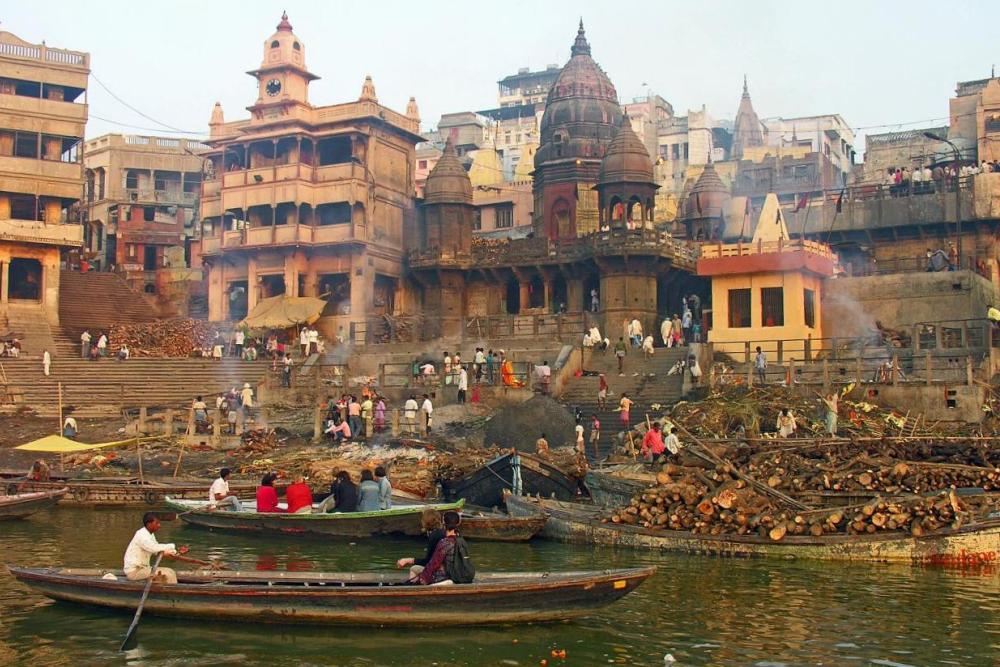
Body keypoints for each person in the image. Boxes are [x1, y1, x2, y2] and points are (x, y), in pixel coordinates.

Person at [123, 513, 187, 585]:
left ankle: (170, 591)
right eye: (156, 523)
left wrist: (176, 552)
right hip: (134, 571)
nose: (159, 525)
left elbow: (158, 551)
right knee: (169, 574)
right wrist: (172, 545)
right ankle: (173, 593)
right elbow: (153, 548)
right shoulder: (141, 535)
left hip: (143, 569)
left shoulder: (150, 534)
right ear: (149, 524)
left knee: (171, 571)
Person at [417, 510, 472, 585]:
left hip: (446, 576)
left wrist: (424, 577)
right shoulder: (462, 540)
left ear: (443, 523)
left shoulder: (444, 542)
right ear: (458, 523)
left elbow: (435, 563)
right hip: (461, 574)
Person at [397, 508, 445, 579]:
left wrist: (408, 560)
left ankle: (415, 589)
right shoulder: (442, 532)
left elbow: (428, 561)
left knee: (414, 569)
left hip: (440, 572)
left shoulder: (434, 536)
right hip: (446, 568)